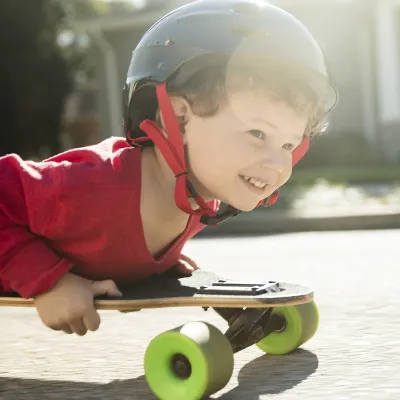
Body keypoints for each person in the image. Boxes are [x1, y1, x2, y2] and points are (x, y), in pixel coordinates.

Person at [0, 0, 338, 336]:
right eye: (257, 133)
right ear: (179, 118)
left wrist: (150, 258)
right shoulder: (93, 187)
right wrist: (48, 281)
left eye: (288, 145)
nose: (278, 163)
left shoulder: (198, 192)